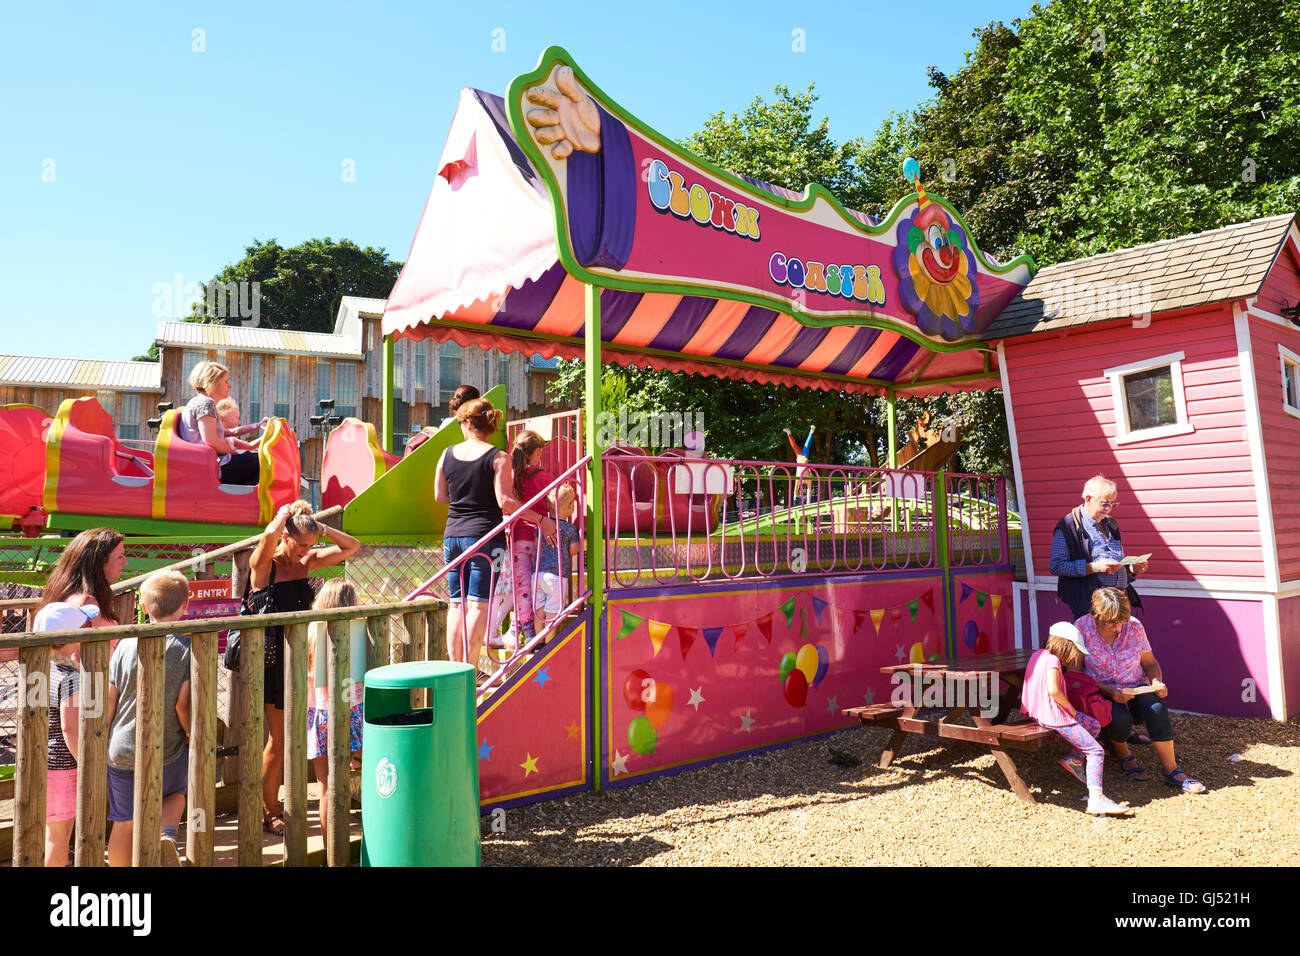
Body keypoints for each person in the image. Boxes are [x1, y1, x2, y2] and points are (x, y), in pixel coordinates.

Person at [245, 500, 360, 836]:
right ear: (286, 538)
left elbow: (353, 547)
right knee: (279, 740)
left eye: (311, 546)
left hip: (306, 662)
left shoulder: (308, 560)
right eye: (301, 545)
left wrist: (319, 527)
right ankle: (270, 811)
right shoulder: (266, 564)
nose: (305, 552)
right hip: (273, 662)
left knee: (303, 735)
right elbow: (267, 538)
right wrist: (284, 517)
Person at [434, 399, 554, 671]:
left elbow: (440, 496)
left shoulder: (446, 454)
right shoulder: (499, 457)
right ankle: (470, 669)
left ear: (467, 423)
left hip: (452, 536)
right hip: (487, 538)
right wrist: (541, 519)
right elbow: (506, 502)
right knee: (478, 606)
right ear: (489, 425)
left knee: (457, 604)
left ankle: (456, 670)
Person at [1077, 587, 1207, 794]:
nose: (1117, 627)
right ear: (1096, 615)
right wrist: (1106, 689)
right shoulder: (1082, 627)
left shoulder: (1134, 626)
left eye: (1121, 621)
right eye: (1110, 622)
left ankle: (1171, 770)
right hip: (1100, 690)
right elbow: (1076, 675)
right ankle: (1123, 753)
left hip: (1134, 686)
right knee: (1118, 719)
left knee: (1157, 709)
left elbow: (1150, 663)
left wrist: (1156, 682)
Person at [104, 571, 193, 867]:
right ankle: (167, 836)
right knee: (176, 795)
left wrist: (104, 737)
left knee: (124, 821)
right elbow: (182, 705)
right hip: (167, 746)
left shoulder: (125, 645)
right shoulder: (185, 648)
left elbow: (110, 698)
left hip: (122, 749)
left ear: (144, 608)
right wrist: (192, 734)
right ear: (186, 605)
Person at [1021, 622, 1130, 815]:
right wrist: (1070, 709)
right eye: (1074, 650)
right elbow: (1054, 690)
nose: (1074, 656)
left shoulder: (1039, 655)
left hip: (1042, 712)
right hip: (1055, 715)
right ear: (1064, 644)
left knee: (1093, 725)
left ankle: (1074, 760)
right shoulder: (1053, 661)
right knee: (1096, 751)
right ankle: (1096, 798)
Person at [35, 602, 99, 866]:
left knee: (49, 832)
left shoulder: (36, 668)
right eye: (82, 626)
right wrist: (86, 762)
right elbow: (69, 726)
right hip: (64, 766)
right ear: (71, 636)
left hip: (41, 761)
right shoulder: (69, 677)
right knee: (59, 837)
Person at [305, 578, 366, 838]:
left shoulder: (310, 633)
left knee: (326, 786)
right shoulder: (357, 633)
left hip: (319, 715)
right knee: (362, 772)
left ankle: (332, 849)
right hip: (353, 711)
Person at [1049, 474, 1148, 619]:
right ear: (1088, 499)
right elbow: (1056, 566)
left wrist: (1132, 570)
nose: (1109, 509)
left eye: (1113, 504)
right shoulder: (1068, 526)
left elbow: (1115, 565)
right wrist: (1095, 567)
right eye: (1104, 503)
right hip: (1092, 606)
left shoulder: (1111, 525)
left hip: (1120, 601)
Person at [178, 360, 260, 486]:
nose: (229, 386)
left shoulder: (200, 402)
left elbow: (222, 433)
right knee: (264, 461)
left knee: (254, 459)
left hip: (207, 464)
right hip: (214, 467)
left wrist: (255, 427)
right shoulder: (205, 403)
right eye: (226, 382)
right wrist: (234, 453)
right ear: (213, 383)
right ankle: (252, 503)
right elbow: (211, 440)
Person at [36, 526, 127, 626]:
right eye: (120, 556)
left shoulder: (67, 593)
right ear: (99, 562)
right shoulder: (87, 605)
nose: (125, 562)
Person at [533, 483, 580, 631]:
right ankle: (548, 642)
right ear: (571, 506)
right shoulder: (570, 529)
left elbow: (536, 545)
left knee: (539, 610)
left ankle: (537, 643)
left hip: (538, 574)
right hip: (556, 576)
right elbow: (573, 551)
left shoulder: (541, 526)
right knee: (553, 612)